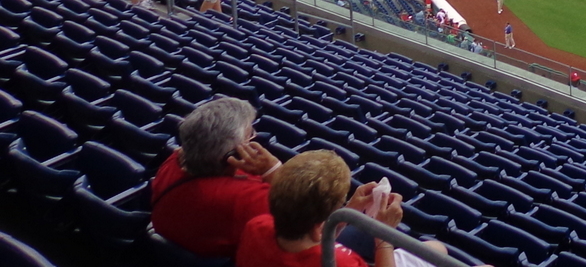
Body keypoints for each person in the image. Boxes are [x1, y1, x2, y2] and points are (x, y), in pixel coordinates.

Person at [151, 97, 282, 258]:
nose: (253, 138)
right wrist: (274, 170)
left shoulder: (173, 161)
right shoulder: (245, 199)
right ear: (230, 155)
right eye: (250, 135)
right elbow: (298, 213)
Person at [236, 149, 402, 267]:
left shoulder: (256, 226)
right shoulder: (342, 262)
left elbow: (314, 236)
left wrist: (350, 210)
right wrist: (384, 237)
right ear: (317, 227)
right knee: (429, 246)